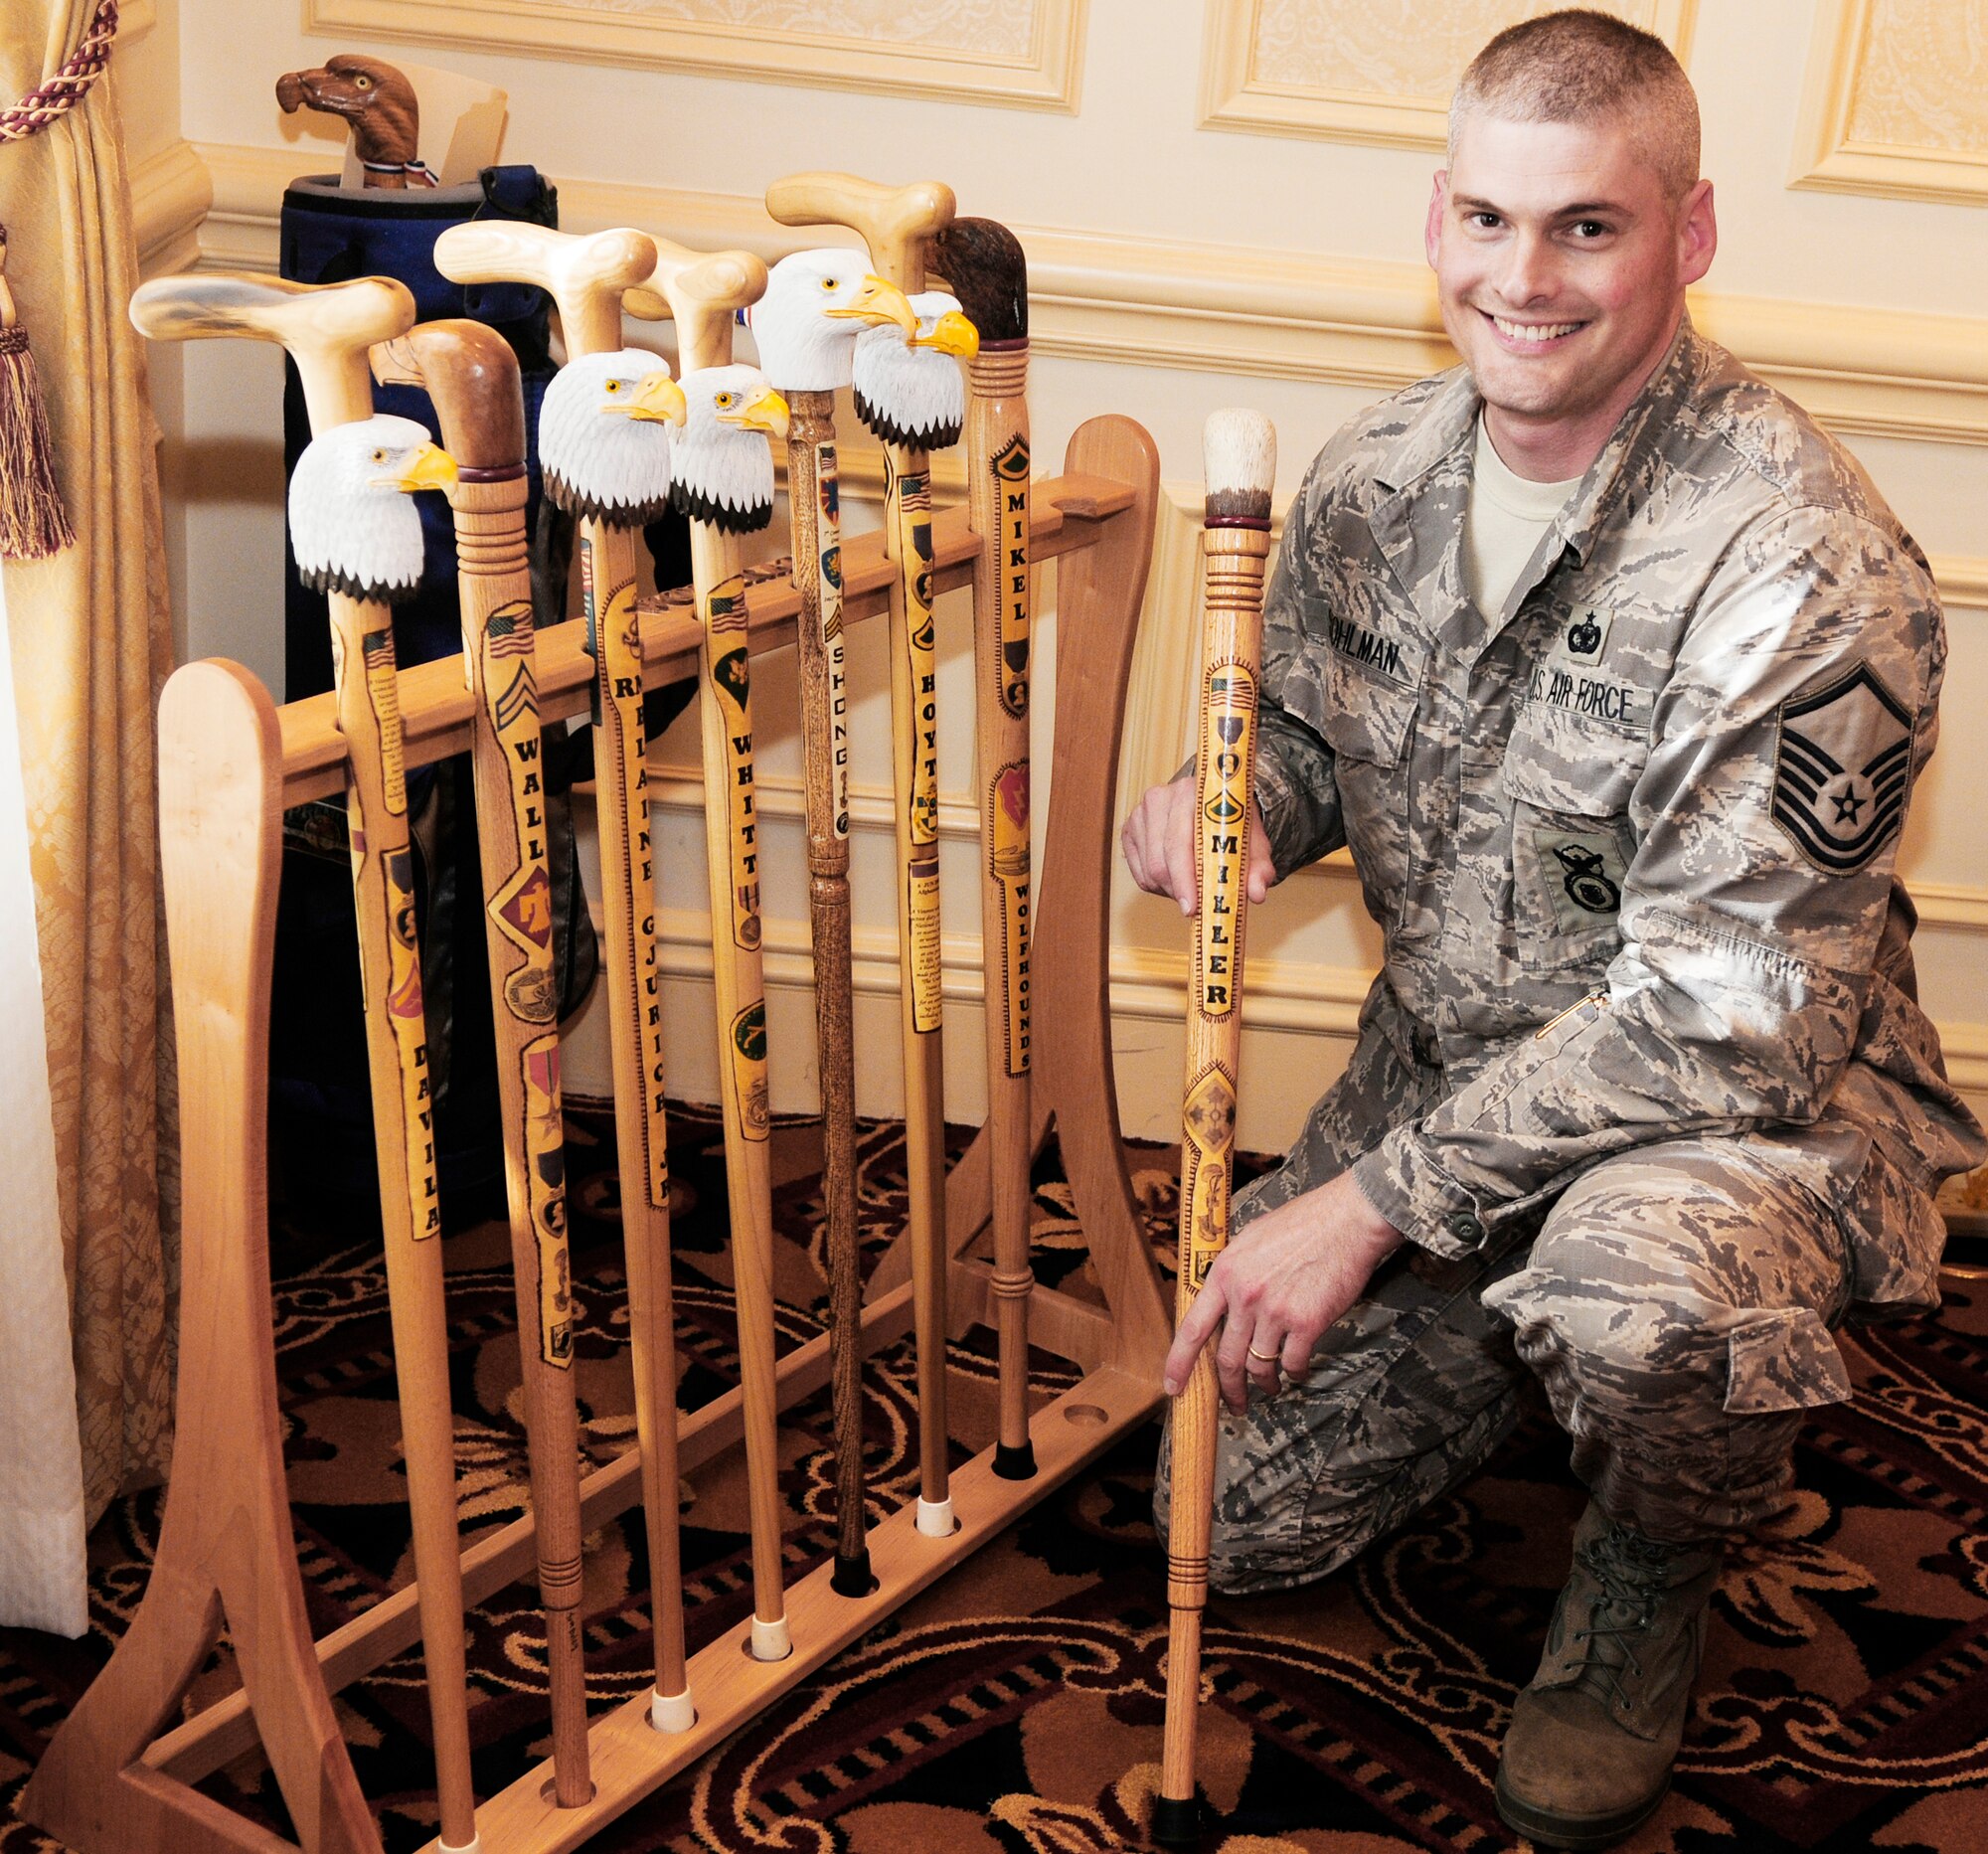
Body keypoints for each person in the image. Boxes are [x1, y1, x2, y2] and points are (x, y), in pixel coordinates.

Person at [1121, 10, 1988, 1849]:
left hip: (1734, 1134)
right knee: (1222, 1512)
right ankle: (1520, 1345)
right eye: (1492, 220)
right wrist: (1232, 804)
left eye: (1589, 225)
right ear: (1434, 218)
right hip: (1452, 1072)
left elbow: (1730, 1021)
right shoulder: (1368, 479)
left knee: (1640, 1304)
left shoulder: (1801, 555)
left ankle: (1650, 1550)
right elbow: (1299, 734)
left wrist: (1366, 1211)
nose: (1527, 278)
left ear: (1690, 236)